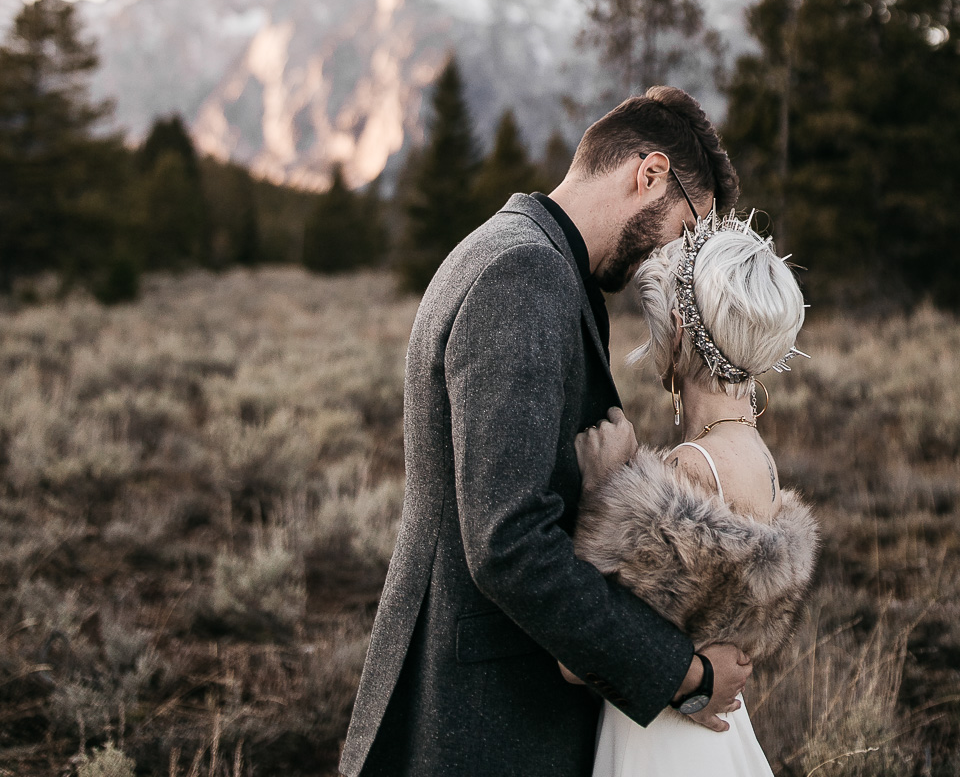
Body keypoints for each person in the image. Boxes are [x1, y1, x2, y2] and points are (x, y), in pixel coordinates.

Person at [340, 86, 751, 777]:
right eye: (685, 230)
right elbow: (510, 542)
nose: (674, 260)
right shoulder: (524, 273)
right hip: (482, 720)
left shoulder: (522, 253)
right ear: (648, 175)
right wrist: (679, 671)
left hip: (476, 704)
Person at [570, 210, 819, 776]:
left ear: (679, 328)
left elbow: (578, 653)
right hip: (719, 738)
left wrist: (602, 493)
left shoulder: (689, 469)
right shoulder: (761, 461)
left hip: (657, 744)